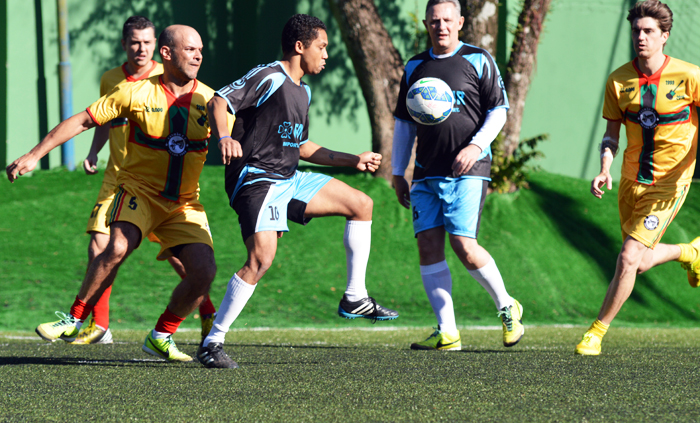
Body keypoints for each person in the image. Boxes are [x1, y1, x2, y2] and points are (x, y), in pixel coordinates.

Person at [7, 25, 232, 362]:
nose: (198, 55)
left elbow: (250, 137)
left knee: (204, 271)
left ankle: (162, 335)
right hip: (139, 193)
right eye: (190, 49)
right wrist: (35, 154)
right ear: (167, 54)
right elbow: (83, 121)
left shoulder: (212, 101)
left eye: (200, 49)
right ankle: (75, 318)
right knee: (116, 246)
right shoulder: (133, 92)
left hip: (185, 204)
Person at [197, 14, 397, 369]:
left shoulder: (303, 90)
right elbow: (217, 101)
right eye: (322, 47)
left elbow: (301, 146)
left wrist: (354, 160)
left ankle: (354, 297)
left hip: (289, 176)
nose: (326, 55)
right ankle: (213, 341)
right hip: (257, 178)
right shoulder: (269, 75)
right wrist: (225, 137)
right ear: (299, 46)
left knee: (361, 204)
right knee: (261, 259)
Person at [75, 16, 218, 345]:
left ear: (160, 48)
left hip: (163, 185)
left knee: (184, 261)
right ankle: (96, 324)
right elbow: (102, 117)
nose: (141, 48)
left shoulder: (171, 76)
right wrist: (94, 153)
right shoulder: (113, 79)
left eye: (147, 42)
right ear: (124, 44)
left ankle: (206, 309)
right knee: (102, 246)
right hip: (120, 177)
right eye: (135, 42)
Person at [392, 0, 522, 351]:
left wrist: (476, 147)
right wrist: (397, 171)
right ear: (425, 24)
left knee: (463, 245)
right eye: (434, 21)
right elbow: (404, 123)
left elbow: (499, 110)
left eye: (448, 20)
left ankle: (506, 306)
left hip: (468, 169)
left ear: (461, 22)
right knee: (428, 245)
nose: (441, 26)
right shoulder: (415, 66)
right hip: (424, 173)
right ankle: (447, 331)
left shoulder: (479, 59)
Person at [575, 0, 700, 356]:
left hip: (669, 184)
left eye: (648, 31)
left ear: (665, 36)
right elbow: (611, 136)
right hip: (631, 181)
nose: (641, 37)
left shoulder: (690, 76)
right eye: (636, 31)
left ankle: (596, 333)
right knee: (639, 262)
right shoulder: (618, 81)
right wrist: (604, 167)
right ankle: (691, 252)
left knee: (628, 257)